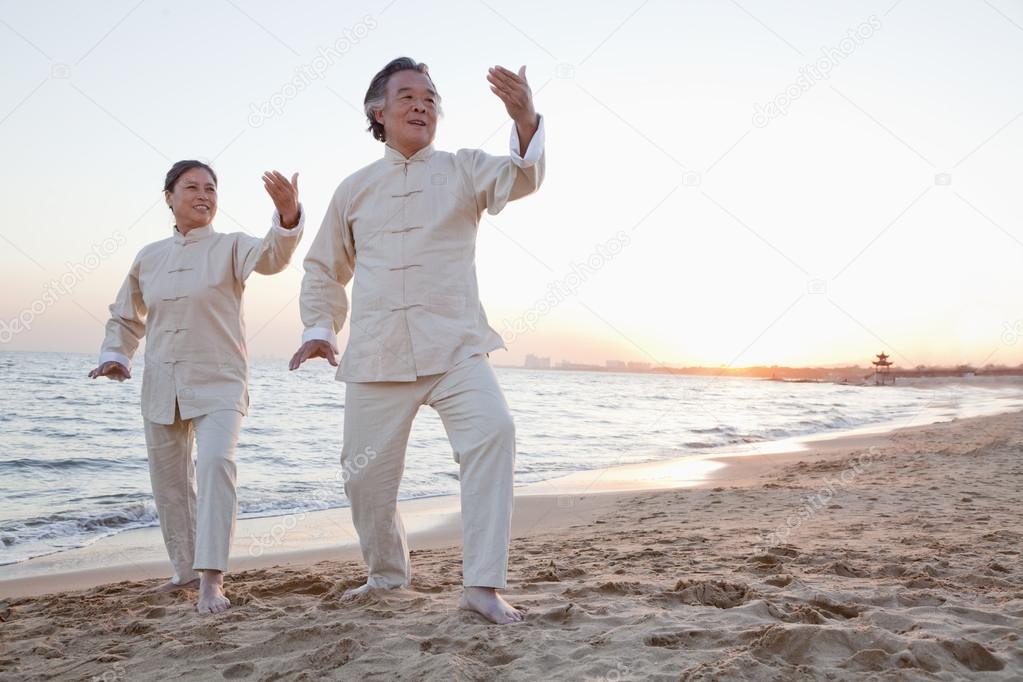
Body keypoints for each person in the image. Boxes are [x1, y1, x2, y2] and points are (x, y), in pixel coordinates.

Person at [290, 57, 545, 624]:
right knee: (363, 479)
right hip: (376, 356)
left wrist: (525, 117)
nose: (422, 104)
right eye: (407, 96)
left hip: (455, 348)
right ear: (378, 113)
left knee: (493, 432)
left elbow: (521, 175)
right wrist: (319, 329)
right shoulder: (353, 189)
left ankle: (482, 585)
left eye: (430, 97)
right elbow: (323, 268)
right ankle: (385, 575)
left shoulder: (464, 169)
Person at [89, 160, 304, 614]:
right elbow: (126, 315)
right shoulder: (149, 256)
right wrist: (116, 356)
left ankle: (212, 580)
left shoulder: (230, 247)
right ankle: (184, 571)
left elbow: (273, 255)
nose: (203, 194)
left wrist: (287, 216)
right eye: (192, 187)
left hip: (221, 383)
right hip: (162, 385)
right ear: (169, 196)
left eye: (211, 188)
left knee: (214, 465)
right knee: (169, 485)